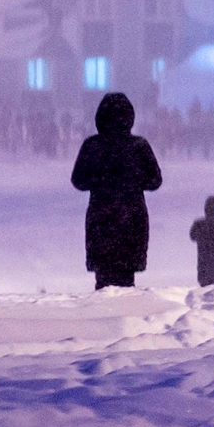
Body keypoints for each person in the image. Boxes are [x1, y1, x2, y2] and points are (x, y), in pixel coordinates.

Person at [70, 93, 163, 289]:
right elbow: (155, 180)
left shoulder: (92, 145)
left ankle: (104, 316)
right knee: (127, 278)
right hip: (132, 217)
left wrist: (101, 180)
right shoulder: (139, 146)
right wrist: (132, 181)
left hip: (101, 218)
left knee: (103, 278)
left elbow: (78, 180)